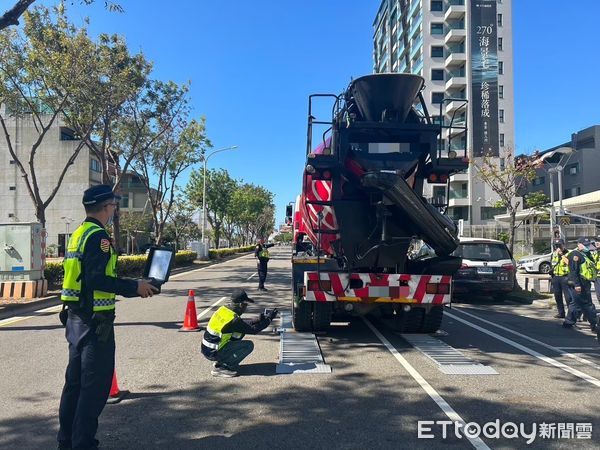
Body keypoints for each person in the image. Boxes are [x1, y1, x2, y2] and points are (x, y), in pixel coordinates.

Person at [57, 185, 158, 450]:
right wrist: (134, 287)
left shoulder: (79, 233)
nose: (115, 210)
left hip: (76, 319)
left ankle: (66, 442)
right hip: (95, 323)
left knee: (74, 385)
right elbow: (97, 279)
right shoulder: (99, 237)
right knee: (94, 388)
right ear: (105, 207)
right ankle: (84, 445)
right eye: (114, 206)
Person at [201, 289, 278, 377]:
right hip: (213, 351)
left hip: (207, 348)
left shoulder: (224, 310)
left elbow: (242, 324)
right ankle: (222, 367)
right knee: (248, 345)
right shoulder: (233, 320)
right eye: (245, 305)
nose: (246, 308)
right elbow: (254, 330)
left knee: (239, 333)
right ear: (241, 305)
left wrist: (258, 319)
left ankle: (222, 361)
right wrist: (269, 319)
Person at [563, 237, 599, 341]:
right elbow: (574, 271)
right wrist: (577, 284)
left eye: (587, 244)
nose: (587, 246)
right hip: (579, 283)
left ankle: (568, 322)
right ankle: (594, 324)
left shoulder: (586, 254)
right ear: (579, 244)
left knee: (576, 303)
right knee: (587, 304)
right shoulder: (575, 255)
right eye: (584, 244)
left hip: (585, 282)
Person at [550, 239, 571, 319]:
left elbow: (569, 263)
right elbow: (552, 264)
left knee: (568, 297)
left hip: (565, 277)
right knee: (557, 296)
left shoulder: (568, 253)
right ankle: (561, 313)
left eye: (560, 245)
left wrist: (562, 255)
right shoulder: (554, 254)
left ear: (563, 245)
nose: (558, 247)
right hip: (556, 277)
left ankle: (571, 314)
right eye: (556, 246)